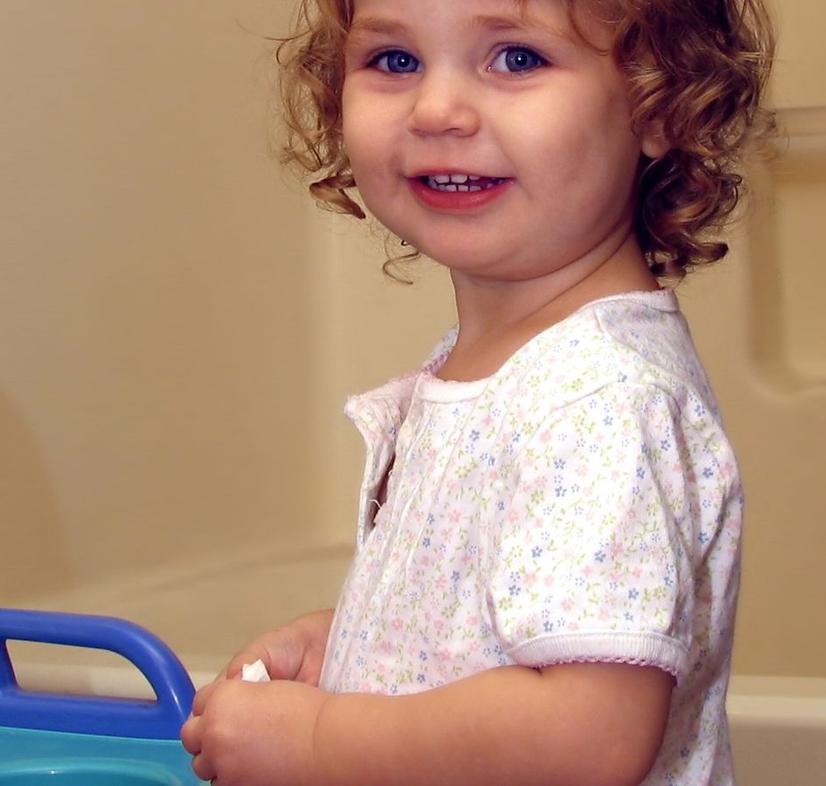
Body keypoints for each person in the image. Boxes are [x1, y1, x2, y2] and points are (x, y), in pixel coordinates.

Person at [180, 0, 775, 782]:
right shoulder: (509, 366)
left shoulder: (595, 397)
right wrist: (357, 644)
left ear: (658, 102)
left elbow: (586, 737)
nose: (436, 109)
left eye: (517, 59)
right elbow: (504, 633)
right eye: (395, 61)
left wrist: (321, 740)